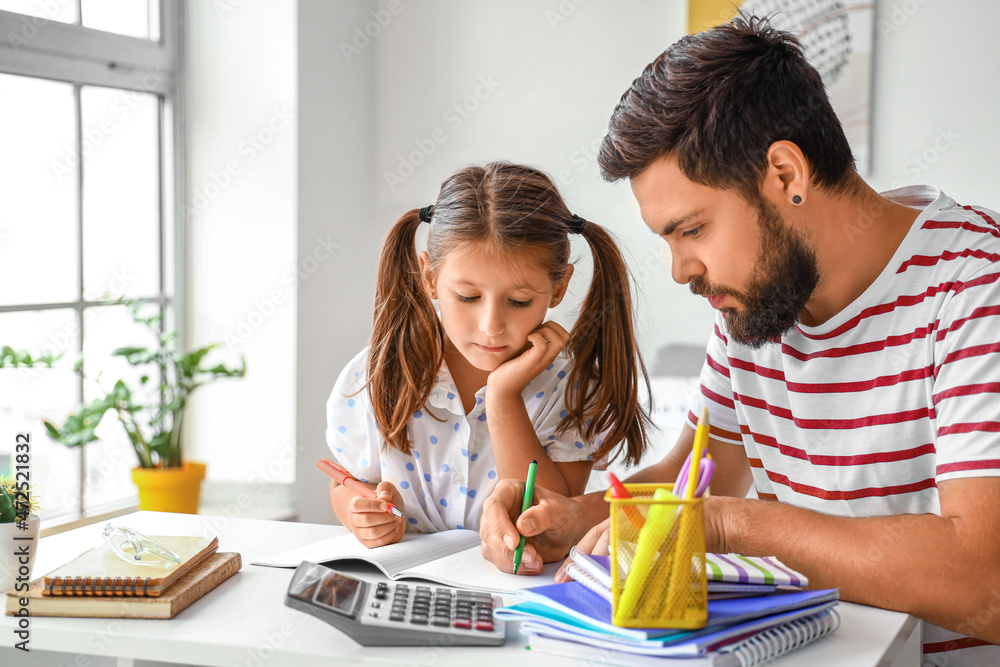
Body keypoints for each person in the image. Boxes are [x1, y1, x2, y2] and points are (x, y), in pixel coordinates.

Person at [477, 16, 1000, 665]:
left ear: (785, 173)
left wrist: (728, 523)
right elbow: (695, 475)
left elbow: (988, 580)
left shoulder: (976, 285)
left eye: (691, 229)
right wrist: (576, 517)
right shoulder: (755, 307)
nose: (680, 270)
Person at [326, 161, 651, 549]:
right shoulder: (376, 374)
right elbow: (345, 482)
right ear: (429, 278)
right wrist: (359, 512)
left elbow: (549, 524)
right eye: (468, 297)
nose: (490, 325)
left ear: (559, 286)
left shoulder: (571, 389)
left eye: (518, 301)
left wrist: (504, 398)